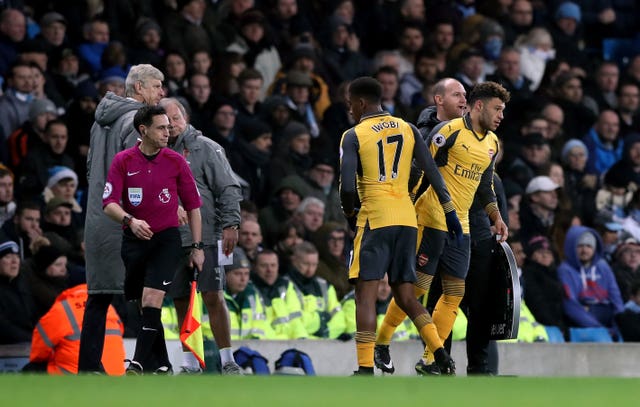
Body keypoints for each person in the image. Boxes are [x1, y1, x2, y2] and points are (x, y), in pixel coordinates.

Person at [375, 81, 509, 375]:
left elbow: (485, 186)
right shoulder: (447, 133)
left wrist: (495, 215)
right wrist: (404, 209)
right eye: (497, 109)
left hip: (461, 224)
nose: (501, 116)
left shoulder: (491, 144)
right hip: (432, 217)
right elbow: (420, 170)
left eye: (503, 110)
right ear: (478, 106)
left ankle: (430, 359)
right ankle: (382, 342)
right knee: (418, 291)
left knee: (454, 294)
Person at [339, 76, 462, 375]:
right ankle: (440, 353)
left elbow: (346, 186)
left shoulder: (353, 134)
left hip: (375, 218)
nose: (350, 110)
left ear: (361, 103)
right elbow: (431, 172)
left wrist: (349, 214)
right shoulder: (407, 128)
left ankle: (366, 367)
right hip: (407, 219)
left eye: (350, 105)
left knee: (365, 295)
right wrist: (450, 211)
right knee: (407, 296)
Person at [102, 105, 203, 374]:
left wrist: (196, 246)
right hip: (133, 240)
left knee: (152, 298)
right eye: (161, 127)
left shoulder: (176, 161)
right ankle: (162, 363)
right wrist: (130, 221)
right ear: (143, 130)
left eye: (169, 127)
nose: (167, 132)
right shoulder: (123, 160)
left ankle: (136, 363)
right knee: (140, 303)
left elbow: (194, 206)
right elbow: (109, 203)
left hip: (166, 241)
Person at [78, 64, 164, 374]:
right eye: (156, 86)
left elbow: (90, 171)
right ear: (139, 89)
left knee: (99, 296)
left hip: (99, 218)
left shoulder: (100, 122)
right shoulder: (134, 121)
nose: (161, 93)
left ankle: (88, 368)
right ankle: (153, 364)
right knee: (147, 295)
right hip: (128, 221)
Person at [159, 97, 244, 375]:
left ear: (186, 118)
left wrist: (231, 224)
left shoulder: (206, 148)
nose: (171, 125)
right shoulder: (154, 151)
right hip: (172, 238)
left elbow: (228, 187)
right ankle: (190, 362)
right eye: (165, 120)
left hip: (207, 235)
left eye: (175, 118)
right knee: (182, 299)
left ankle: (228, 360)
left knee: (212, 296)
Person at [27, 284, 125, 375]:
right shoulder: (109, 308)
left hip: (73, 376)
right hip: (115, 377)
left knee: (31, 369)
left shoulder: (62, 309)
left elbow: (38, 353)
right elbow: (121, 330)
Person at [558, 226, 624, 341]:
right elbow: (571, 305)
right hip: (582, 320)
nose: (584, 250)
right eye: (580, 246)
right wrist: (599, 327)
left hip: (606, 314)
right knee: (603, 339)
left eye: (589, 246)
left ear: (595, 248)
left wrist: (622, 321)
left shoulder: (603, 266)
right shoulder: (565, 270)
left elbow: (616, 297)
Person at [287, 242, 345, 339]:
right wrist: (322, 319)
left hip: (325, 342)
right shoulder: (285, 286)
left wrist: (326, 334)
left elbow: (339, 319)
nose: (310, 269)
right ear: (294, 261)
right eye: (305, 264)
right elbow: (294, 322)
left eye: (314, 265)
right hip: (300, 342)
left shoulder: (325, 286)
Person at [0, 239, 37, 344]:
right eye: (8, 257)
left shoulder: (23, 283)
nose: (15, 261)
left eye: (16, 256)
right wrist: (32, 338)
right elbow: (4, 327)